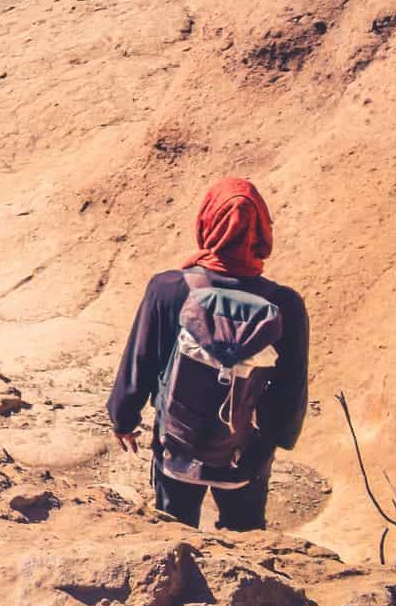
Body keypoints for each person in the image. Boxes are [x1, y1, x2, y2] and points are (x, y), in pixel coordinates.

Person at [107, 176, 309, 532]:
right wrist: (273, 443)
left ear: (206, 223)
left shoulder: (168, 289)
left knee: (174, 535)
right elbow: (291, 386)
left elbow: (141, 360)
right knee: (246, 542)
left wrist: (124, 418)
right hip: (244, 454)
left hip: (177, 447)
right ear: (261, 232)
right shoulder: (283, 305)